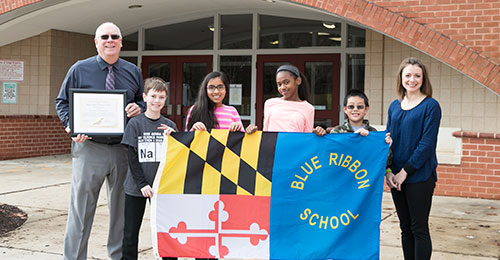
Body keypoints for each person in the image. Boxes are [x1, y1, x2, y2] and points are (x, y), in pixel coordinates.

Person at [55, 22, 145, 260]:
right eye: (104, 36)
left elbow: (142, 101)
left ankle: (117, 257)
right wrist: (71, 126)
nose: (110, 40)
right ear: (96, 42)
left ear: (121, 42)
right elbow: (62, 102)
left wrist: (140, 107)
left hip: (123, 150)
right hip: (89, 148)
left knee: (121, 213)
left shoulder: (132, 71)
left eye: (115, 36)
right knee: (81, 210)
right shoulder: (79, 69)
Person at [385, 57, 441, 260]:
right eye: (407, 75)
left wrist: (404, 172)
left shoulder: (431, 106)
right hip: (396, 176)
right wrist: (389, 171)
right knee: (405, 228)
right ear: (401, 78)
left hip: (419, 176)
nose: (412, 79)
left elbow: (427, 145)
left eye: (417, 75)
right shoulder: (394, 106)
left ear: (423, 78)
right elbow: (388, 140)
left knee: (419, 228)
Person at [121, 77, 178, 260]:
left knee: (167, 230)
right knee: (130, 233)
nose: (157, 101)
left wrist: (174, 139)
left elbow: (175, 158)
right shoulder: (135, 124)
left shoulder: (170, 126)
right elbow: (132, 157)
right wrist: (142, 183)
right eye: (153, 96)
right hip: (137, 187)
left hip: (162, 187)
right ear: (145, 97)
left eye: (161, 97)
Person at [246, 64, 325, 135]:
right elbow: (265, 132)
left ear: (298, 81)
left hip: (295, 150)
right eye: (279, 84)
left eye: (286, 82)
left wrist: (319, 132)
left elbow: (307, 136)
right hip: (272, 149)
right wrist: (252, 131)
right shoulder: (270, 103)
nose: (282, 87)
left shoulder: (308, 108)